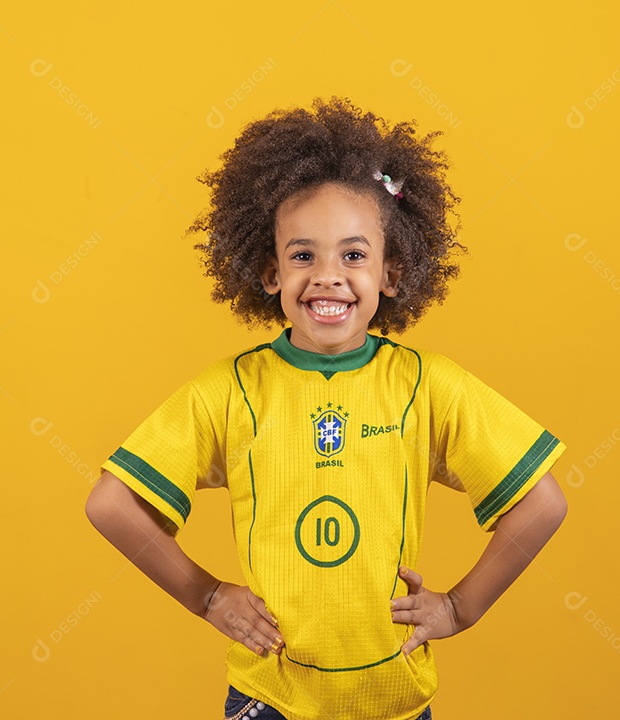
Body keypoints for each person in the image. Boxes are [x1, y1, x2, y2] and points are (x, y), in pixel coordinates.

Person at [85, 96, 569, 720]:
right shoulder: (229, 391)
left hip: (394, 698)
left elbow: (543, 501)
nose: (328, 276)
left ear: (392, 274)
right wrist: (207, 599)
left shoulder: (427, 386)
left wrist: (459, 608)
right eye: (303, 255)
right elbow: (110, 502)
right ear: (269, 272)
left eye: (354, 254)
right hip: (271, 698)